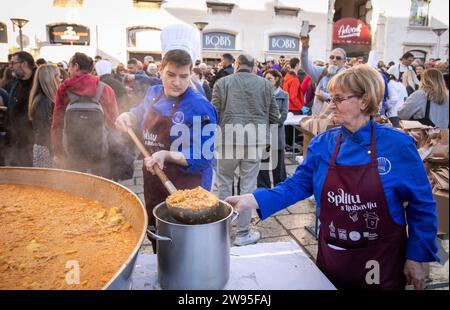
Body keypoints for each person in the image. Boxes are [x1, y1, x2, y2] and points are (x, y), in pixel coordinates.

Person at [226, 65, 439, 290]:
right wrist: (253, 199)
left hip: (382, 258)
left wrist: (418, 255)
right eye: (331, 98)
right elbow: (297, 185)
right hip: (334, 255)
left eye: (338, 99)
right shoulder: (322, 144)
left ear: (365, 101)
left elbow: (421, 205)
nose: (330, 105)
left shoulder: (398, 146)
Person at [115, 24, 217, 250]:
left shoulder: (201, 107)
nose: (176, 82)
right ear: (160, 69)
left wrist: (166, 154)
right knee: (158, 235)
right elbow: (140, 111)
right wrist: (128, 116)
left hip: (186, 187)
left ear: (191, 73)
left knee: (184, 245)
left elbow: (204, 157)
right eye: (170, 74)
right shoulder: (153, 93)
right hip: (154, 179)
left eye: (183, 76)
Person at [212, 53, 279, 246]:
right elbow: (275, 115)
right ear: (254, 66)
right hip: (254, 140)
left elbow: (213, 112)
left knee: (224, 184)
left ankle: (221, 234)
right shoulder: (265, 84)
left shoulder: (222, 83)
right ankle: (243, 234)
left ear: (237, 65)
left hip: (227, 139)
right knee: (248, 187)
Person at [51, 52, 119, 176]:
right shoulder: (105, 89)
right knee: (101, 186)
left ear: (75, 66)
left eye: (70, 67)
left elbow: (57, 122)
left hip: (71, 150)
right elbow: (114, 121)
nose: (68, 70)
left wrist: (58, 151)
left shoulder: (64, 89)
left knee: (75, 188)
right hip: (100, 149)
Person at [300, 36, 346, 116]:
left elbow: (346, 99)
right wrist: (304, 47)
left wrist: (325, 96)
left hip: (336, 120)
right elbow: (305, 66)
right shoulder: (322, 71)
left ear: (344, 62)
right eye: (332, 57)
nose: (334, 60)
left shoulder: (347, 76)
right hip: (317, 119)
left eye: (338, 58)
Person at [257, 69, 288, 188]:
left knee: (278, 164)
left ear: (276, 80)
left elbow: (283, 115)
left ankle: (280, 188)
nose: (267, 81)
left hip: (276, 133)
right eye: (265, 78)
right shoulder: (261, 94)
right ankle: (263, 188)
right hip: (263, 133)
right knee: (263, 164)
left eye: (269, 78)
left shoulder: (284, 95)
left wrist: (270, 122)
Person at [28, 64, 61, 167]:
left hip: (45, 148)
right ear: (51, 79)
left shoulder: (44, 99)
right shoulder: (44, 100)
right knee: (46, 181)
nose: (61, 80)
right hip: (46, 149)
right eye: (59, 76)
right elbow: (45, 130)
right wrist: (55, 152)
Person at [7, 51, 36, 167]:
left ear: (23, 64)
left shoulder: (37, 83)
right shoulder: (17, 84)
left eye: (13, 63)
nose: (10, 66)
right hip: (16, 140)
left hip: (30, 142)